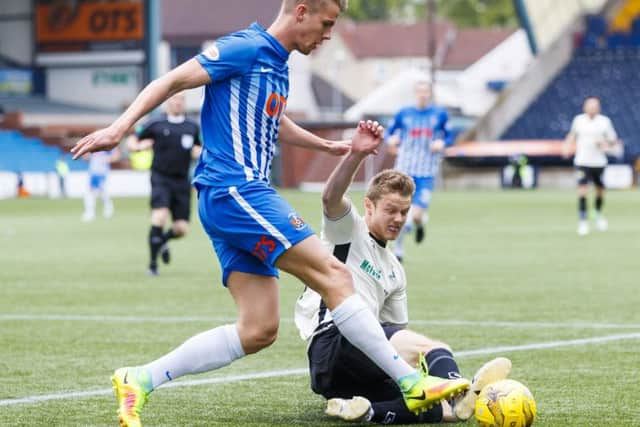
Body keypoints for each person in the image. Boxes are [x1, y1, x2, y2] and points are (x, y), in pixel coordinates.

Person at [71, 1, 469, 426]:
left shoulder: (277, 64)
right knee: (336, 276)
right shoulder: (245, 47)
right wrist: (118, 129)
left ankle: (140, 379)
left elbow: (271, 119)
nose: (328, 34)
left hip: (229, 200)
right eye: (327, 23)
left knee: (258, 329)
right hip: (236, 190)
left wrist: (327, 147)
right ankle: (411, 382)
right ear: (301, 11)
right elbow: (170, 81)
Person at [295, 132, 511, 424]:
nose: (398, 219)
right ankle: (459, 391)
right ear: (369, 206)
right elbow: (330, 197)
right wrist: (356, 154)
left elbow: (395, 331)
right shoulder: (348, 232)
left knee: (436, 411)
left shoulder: (396, 270)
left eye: (404, 212)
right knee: (434, 349)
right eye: (390, 210)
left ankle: (365, 411)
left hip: (346, 375)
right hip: (331, 344)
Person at [127, 93, 202, 276]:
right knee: (159, 217)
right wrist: (137, 146)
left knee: (181, 229)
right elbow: (132, 140)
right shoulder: (155, 123)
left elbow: (199, 148)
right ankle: (152, 266)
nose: (177, 103)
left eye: (181, 100)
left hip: (182, 180)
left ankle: (161, 241)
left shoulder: (192, 126)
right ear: (168, 102)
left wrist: (199, 153)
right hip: (160, 177)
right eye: (174, 99)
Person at [385, 80, 450, 262]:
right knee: (399, 210)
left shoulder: (439, 115)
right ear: (415, 93)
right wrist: (390, 140)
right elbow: (389, 133)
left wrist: (442, 143)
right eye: (420, 91)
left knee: (417, 215)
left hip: (426, 172)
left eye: (426, 91)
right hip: (404, 170)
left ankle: (419, 225)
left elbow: (450, 136)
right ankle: (398, 250)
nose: (423, 94)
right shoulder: (404, 113)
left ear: (430, 94)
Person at [563, 96, 620, 236]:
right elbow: (572, 135)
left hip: (598, 162)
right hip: (582, 161)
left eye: (595, 106)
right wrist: (567, 146)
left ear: (598, 108)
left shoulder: (605, 122)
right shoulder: (578, 120)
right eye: (590, 105)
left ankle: (598, 214)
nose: (592, 108)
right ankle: (583, 221)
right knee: (582, 190)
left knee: (599, 190)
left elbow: (613, 141)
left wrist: (605, 144)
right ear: (585, 107)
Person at [81, 148, 120, 222]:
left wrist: (106, 159)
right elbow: (85, 156)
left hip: (102, 172)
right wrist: (87, 156)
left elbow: (116, 156)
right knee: (92, 192)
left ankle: (106, 209)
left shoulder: (108, 144)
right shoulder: (93, 143)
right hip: (93, 172)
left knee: (101, 192)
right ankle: (92, 212)